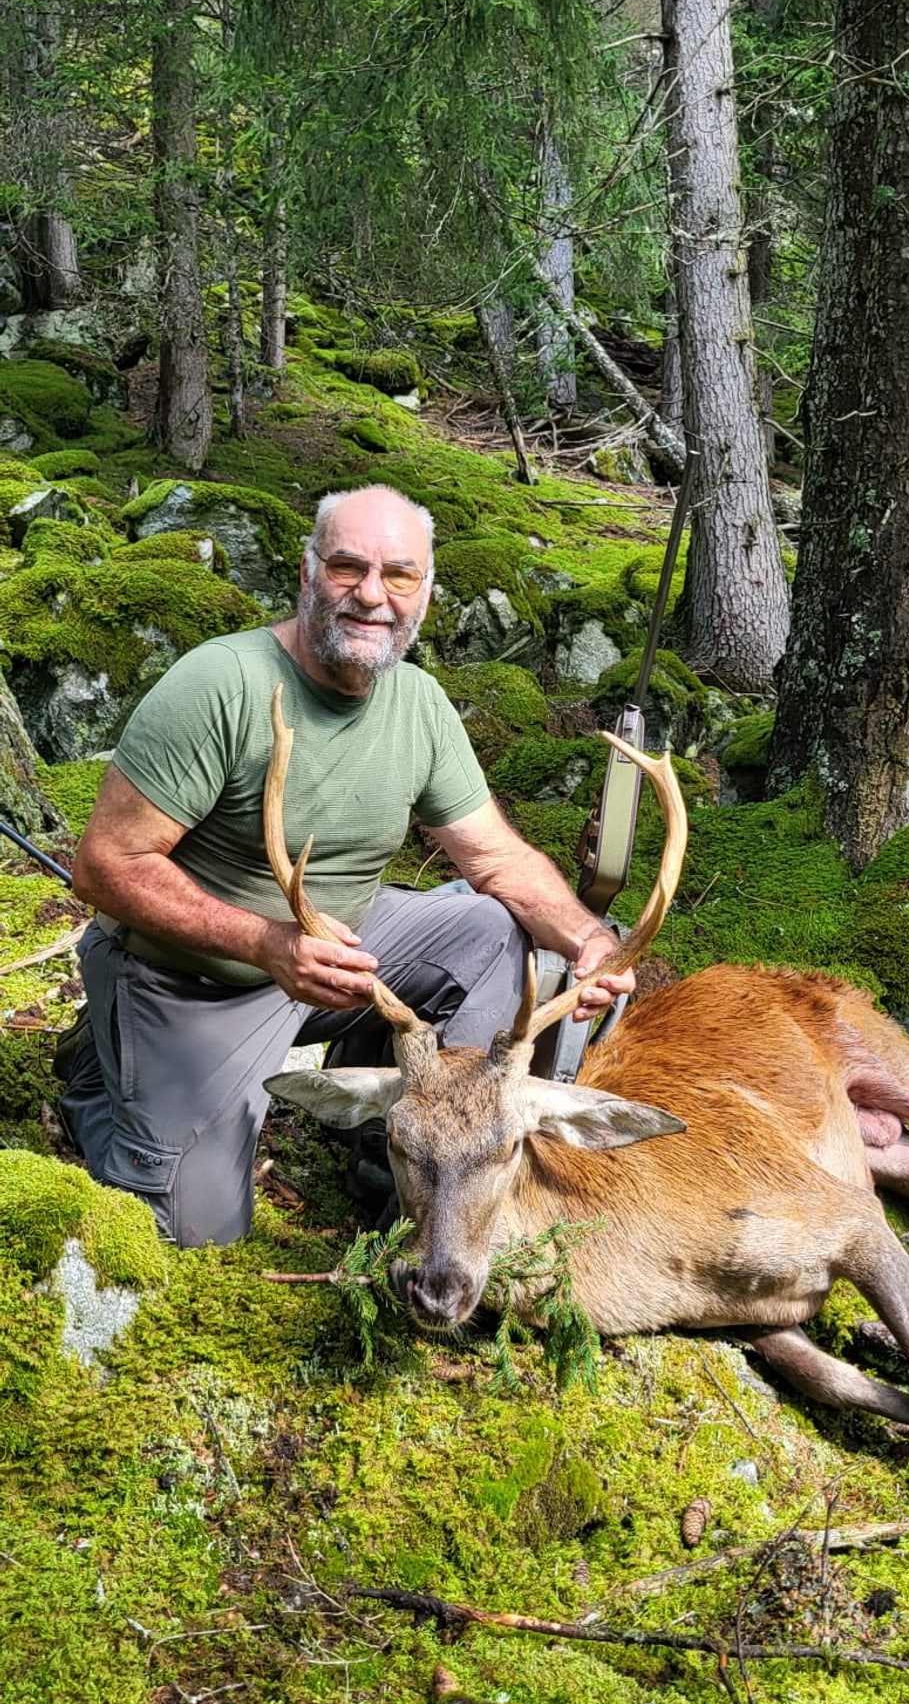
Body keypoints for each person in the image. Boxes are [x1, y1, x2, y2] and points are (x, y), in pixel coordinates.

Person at [60, 483, 633, 1246]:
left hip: (346, 952)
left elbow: (495, 857)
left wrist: (585, 938)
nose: (372, 596)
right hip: (194, 981)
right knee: (193, 1231)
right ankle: (100, 1076)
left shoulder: (419, 705)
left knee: (497, 932)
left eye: (399, 575)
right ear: (306, 573)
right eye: (347, 567)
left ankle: (408, 1156)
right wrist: (267, 944)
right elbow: (104, 866)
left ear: (425, 592)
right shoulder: (217, 686)